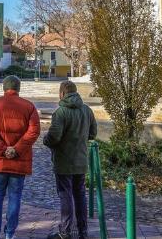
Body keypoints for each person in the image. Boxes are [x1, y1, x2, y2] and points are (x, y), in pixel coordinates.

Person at [0, 75, 41, 239]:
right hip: (19, 161)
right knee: (15, 197)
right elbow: (34, 131)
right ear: (19, 88)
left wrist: (2, 149)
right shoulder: (29, 107)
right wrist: (16, 149)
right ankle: (9, 234)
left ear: (3, 87)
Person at [43, 81, 97, 239]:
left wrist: (46, 140)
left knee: (65, 195)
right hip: (81, 160)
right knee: (80, 195)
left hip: (64, 162)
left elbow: (54, 137)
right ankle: (83, 231)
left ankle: (65, 232)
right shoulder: (87, 110)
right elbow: (92, 133)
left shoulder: (61, 112)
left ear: (62, 93)